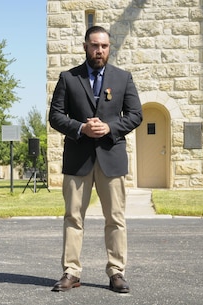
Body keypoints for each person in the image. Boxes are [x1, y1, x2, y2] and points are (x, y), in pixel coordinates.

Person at [48, 26, 142, 293]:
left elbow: (136, 115)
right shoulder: (68, 78)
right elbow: (55, 116)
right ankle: (71, 272)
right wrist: (81, 128)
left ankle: (116, 272)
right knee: (73, 217)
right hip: (78, 160)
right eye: (94, 45)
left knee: (115, 218)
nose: (99, 50)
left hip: (111, 158)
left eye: (103, 46)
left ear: (109, 48)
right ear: (85, 46)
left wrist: (110, 128)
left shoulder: (123, 78)